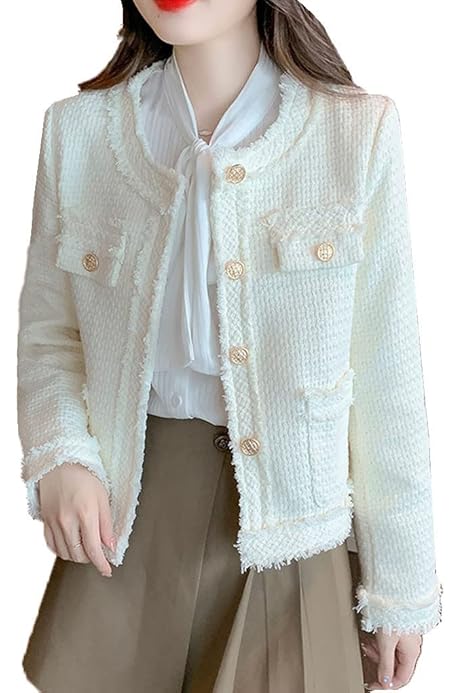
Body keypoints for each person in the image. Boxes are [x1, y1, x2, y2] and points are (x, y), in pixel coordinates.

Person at [17, 1, 442, 691]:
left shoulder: (353, 133)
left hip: (294, 533)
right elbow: (50, 333)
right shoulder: (80, 133)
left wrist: (401, 585)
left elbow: (387, 374)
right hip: (126, 524)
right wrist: (61, 456)